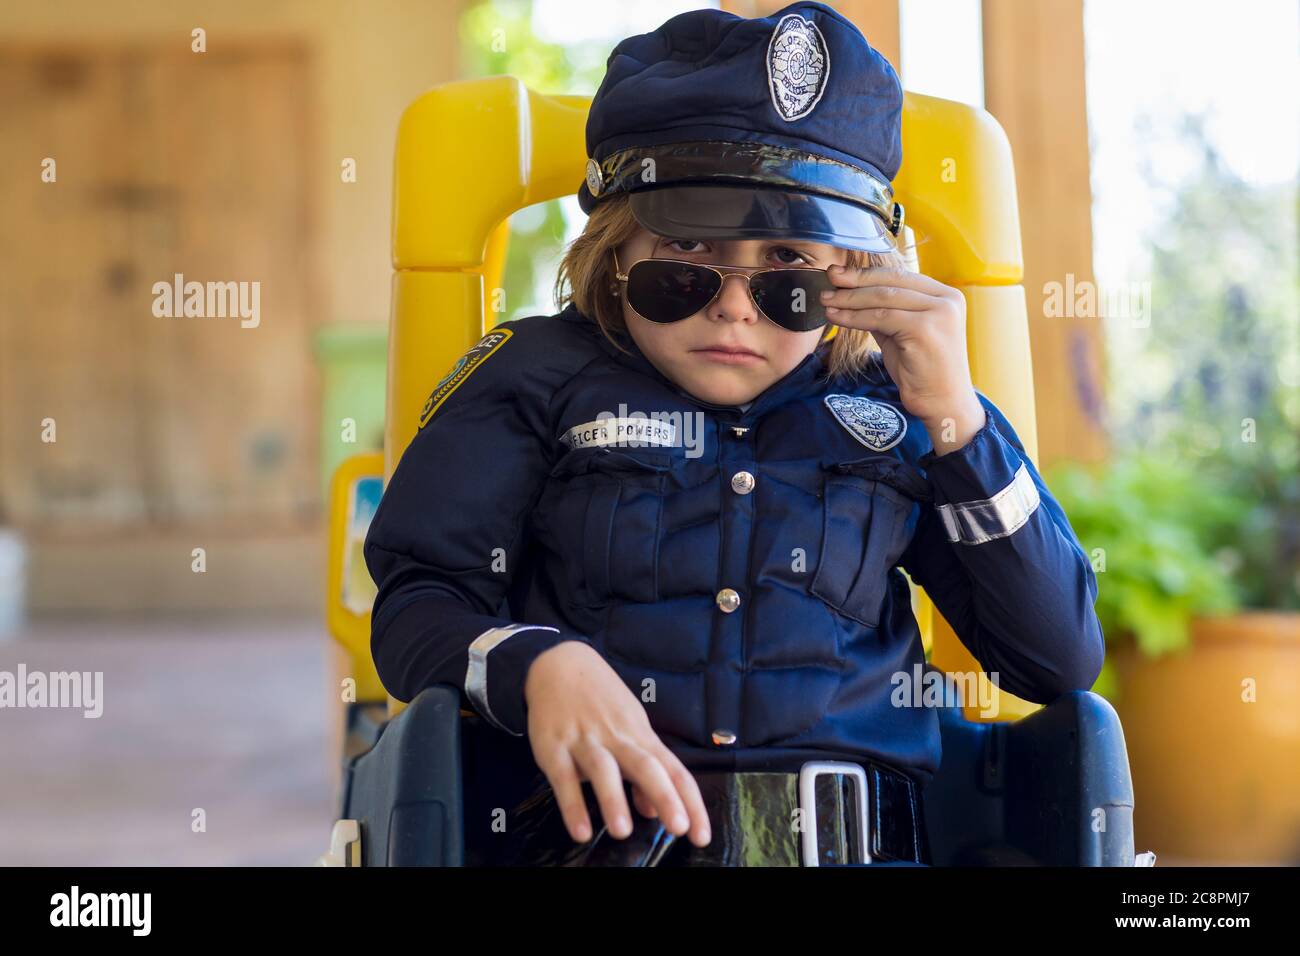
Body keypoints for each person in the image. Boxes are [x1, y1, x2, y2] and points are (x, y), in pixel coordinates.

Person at [363, 0, 1105, 866]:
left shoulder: (910, 408)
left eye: (788, 266)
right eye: (686, 251)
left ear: (856, 275)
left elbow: (1055, 662)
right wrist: (534, 665)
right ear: (615, 250)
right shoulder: (534, 376)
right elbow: (416, 607)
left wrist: (959, 421)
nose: (733, 304)